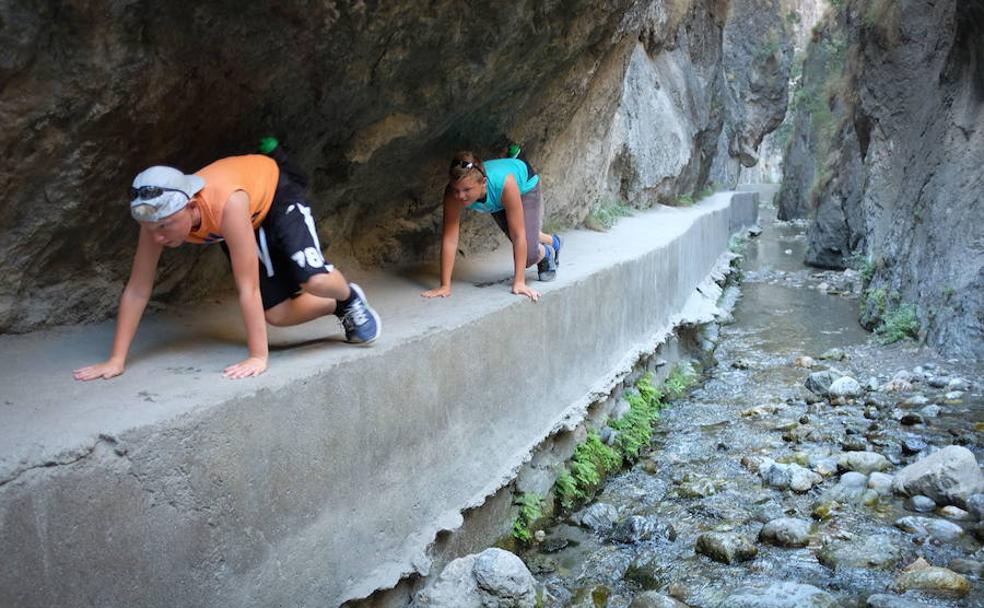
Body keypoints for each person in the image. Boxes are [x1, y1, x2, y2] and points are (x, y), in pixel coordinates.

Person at [73, 141, 381, 381]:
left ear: (191, 206)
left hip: (276, 193)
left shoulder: (226, 205)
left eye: (165, 226)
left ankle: (348, 296)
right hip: (251, 215)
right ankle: (338, 305)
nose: (157, 238)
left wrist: (258, 357)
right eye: (151, 229)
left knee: (314, 279)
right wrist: (116, 360)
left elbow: (247, 288)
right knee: (277, 314)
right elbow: (138, 288)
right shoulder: (155, 221)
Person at [421, 151, 562, 302]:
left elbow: (518, 235)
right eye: (457, 190)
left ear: (483, 183)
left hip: (523, 187)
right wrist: (445, 286)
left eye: (467, 190)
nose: (460, 196)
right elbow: (450, 238)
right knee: (524, 235)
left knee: (527, 255)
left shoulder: (505, 184)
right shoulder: (453, 192)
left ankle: (547, 250)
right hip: (497, 199)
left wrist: (519, 282)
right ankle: (548, 240)